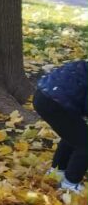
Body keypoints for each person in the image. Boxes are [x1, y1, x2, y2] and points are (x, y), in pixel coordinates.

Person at [33, 59, 87, 193]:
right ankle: (70, 183)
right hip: (55, 102)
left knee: (73, 135)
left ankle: (57, 172)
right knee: (85, 143)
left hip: (43, 94)